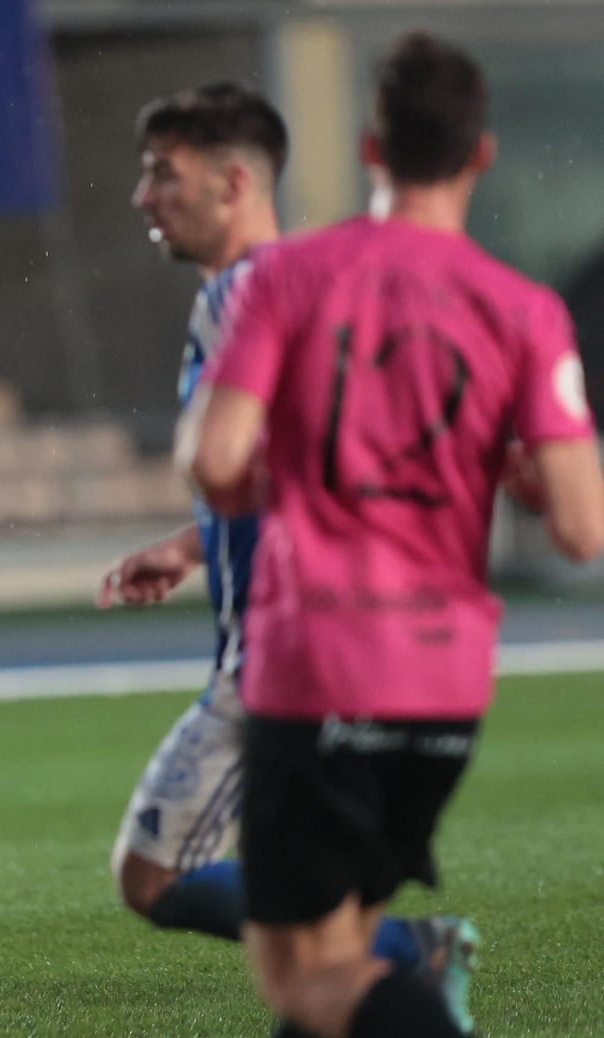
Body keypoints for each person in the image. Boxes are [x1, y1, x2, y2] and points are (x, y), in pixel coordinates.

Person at [181, 35, 604, 1038]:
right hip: (444, 681)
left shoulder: (287, 279)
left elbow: (216, 458)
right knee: (339, 963)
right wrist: (514, 481)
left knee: (300, 978)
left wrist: (273, 477)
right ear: (480, 154)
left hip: (318, 665)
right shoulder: (525, 311)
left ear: (370, 147)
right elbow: (583, 528)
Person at [105, 80, 456, 992]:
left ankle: (411, 962)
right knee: (202, 883)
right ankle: (407, 960)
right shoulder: (265, 291)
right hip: (301, 648)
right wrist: (190, 545)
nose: (144, 197)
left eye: (162, 176)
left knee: (164, 878)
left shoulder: (255, 295)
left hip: (288, 657)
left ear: (231, 183)